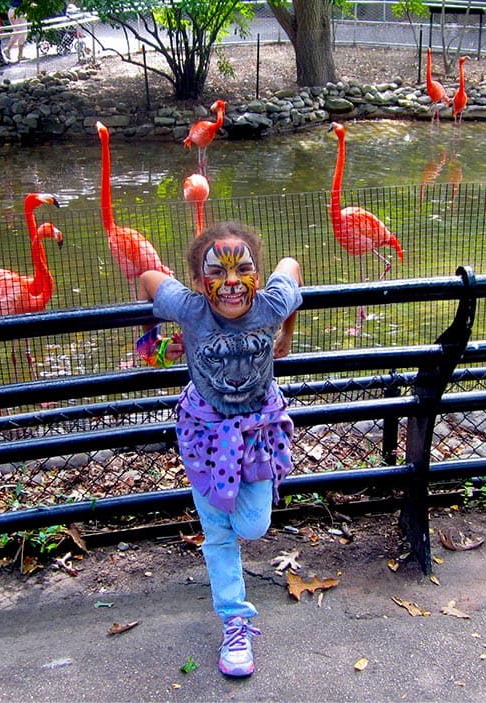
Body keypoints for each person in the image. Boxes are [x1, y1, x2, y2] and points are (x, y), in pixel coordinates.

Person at [137, 221, 303, 677]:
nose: (231, 282)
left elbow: (292, 268)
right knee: (219, 536)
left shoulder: (270, 302)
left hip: (254, 436)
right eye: (218, 273)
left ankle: (232, 515)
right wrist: (152, 339)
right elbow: (149, 278)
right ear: (198, 282)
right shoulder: (189, 308)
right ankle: (235, 622)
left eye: (243, 269)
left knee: (252, 526)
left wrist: (286, 333)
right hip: (205, 436)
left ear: (257, 273)